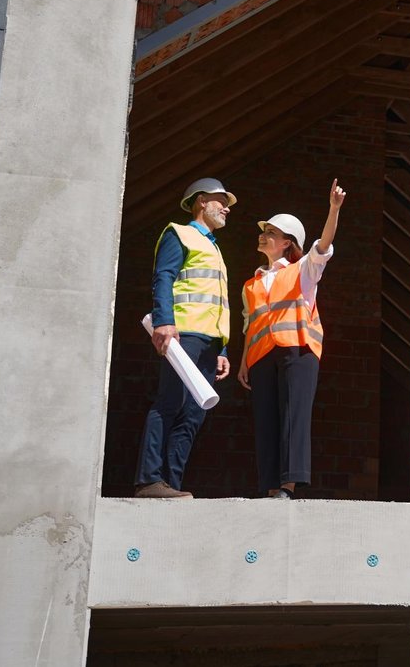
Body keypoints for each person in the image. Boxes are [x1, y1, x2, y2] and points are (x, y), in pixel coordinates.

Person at [239, 178, 346, 499]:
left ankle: (288, 485)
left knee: (293, 416)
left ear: (287, 242)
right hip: (261, 356)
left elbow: (323, 246)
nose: (263, 235)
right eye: (264, 231)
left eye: (271, 232)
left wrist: (334, 209)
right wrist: (244, 362)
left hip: (298, 351)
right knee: (266, 420)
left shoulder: (303, 270)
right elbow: (250, 324)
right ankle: (270, 487)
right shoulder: (251, 284)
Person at [135, 178, 235, 499]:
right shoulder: (179, 234)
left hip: (208, 342)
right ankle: (149, 479)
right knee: (170, 403)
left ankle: (170, 485)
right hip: (184, 333)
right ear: (202, 201)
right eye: (221, 201)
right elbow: (163, 277)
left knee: (193, 415)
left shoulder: (214, 248)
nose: (227, 208)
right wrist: (164, 321)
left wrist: (222, 349)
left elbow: (217, 301)